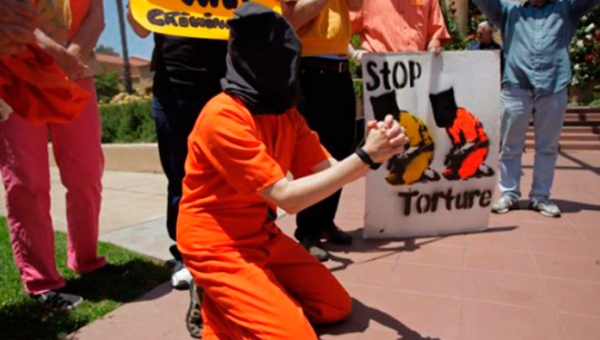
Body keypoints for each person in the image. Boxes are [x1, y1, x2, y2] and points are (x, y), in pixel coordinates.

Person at [177, 3, 407, 339]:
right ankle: (217, 302)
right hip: (215, 244)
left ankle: (252, 297)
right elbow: (287, 199)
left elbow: (332, 169)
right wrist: (364, 157)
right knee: (297, 335)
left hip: (260, 234)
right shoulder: (222, 116)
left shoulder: (286, 115)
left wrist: (380, 151)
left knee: (335, 307)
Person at [0, 0, 126, 311]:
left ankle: (87, 260)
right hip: (17, 68)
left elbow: (97, 14)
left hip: (77, 71)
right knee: (27, 182)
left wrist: (73, 55)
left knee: (86, 174)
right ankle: (41, 281)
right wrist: (58, 53)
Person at [127, 7, 228, 291]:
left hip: (227, 83)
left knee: (233, 175)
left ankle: (234, 248)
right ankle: (186, 255)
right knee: (180, 178)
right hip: (174, 87)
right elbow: (140, 27)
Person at [473, 0, 600, 217]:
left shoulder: (566, 9)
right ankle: (509, 195)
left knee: (547, 148)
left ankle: (541, 197)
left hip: (554, 85)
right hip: (516, 87)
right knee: (510, 146)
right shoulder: (508, 11)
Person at [280, 0, 363, 261]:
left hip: (340, 72)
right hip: (308, 71)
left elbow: (357, 5)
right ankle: (307, 231)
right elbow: (289, 19)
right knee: (313, 154)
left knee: (341, 148)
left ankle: (326, 221)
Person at [349, 0, 450, 60]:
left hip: (419, 73)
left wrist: (433, 45)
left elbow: (435, 32)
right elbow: (340, 33)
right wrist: (356, 54)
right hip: (381, 77)